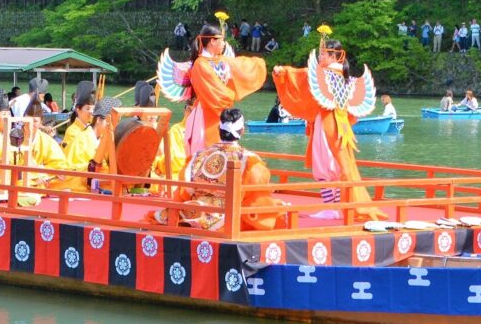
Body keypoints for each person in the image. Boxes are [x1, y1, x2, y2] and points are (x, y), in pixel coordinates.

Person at [272, 32, 386, 221]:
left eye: (323, 54)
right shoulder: (348, 78)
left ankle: (331, 208)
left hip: (327, 126)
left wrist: (282, 71)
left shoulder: (325, 74)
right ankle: (338, 207)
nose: (320, 57)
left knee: (324, 167)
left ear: (334, 56)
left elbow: (303, 74)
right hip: (342, 128)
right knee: (339, 167)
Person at [148, 108, 287, 231]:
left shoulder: (198, 156)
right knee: (275, 209)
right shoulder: (248, 160)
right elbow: (255, 194)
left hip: (193, 211)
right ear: (242, 131)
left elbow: (185, 191)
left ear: (219, 130)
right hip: (224, 218)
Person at [158, 22, 267, 161]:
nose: (224, 43)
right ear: (212, 41)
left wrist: (260, 64)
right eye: (221, 40)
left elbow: (242, 66)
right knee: (206, 156)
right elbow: (214, 93)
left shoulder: (221, 60)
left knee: (224, 156)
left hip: (223, 113)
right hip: (205, 115)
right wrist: (230, 99)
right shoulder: (200, 65)